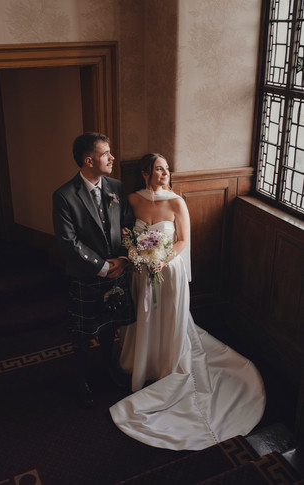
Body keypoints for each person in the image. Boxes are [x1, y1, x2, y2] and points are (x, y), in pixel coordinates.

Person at [109, 153, 266, 450]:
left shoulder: (176, 202)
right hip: (141, 272)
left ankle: (168, 362)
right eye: (159, 168)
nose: (165, 173)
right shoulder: (131, 200)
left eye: (167, 169)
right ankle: (141, 360)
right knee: (144, 317)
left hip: (170, 272)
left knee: (168, 317)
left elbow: (182, 240)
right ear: (145, 173)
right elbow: (125, 235)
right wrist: (137, 254)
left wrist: (161, 259)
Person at [53, 132, 135, 407]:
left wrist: (123, 258)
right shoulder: (64, 196)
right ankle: (81, 379)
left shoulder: (116, 187)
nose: (112, 158)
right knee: (83, 332)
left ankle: (108, 369)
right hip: (87, 275)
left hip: (117, 271)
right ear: (89, 160)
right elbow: (68, 242)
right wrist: (101, 267)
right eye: (106, 154)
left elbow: (128, 224)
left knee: (110, 325)